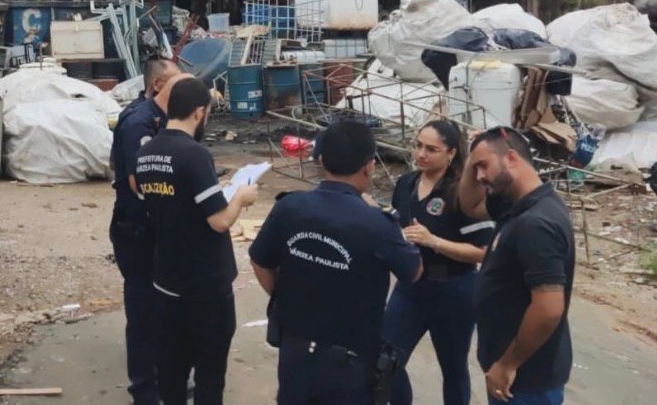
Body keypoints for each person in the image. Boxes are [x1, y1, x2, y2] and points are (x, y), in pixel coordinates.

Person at [250, 121, 422, 405]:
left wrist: (288, 299)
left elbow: (259, 260)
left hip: (295, 357)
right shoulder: (377, 223)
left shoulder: (290, 207)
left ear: (320, 160)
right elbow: (413, 271)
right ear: (369, 166)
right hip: (350, 366)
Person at [132, 76, 257, 405]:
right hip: (205, 286)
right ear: (199, 112)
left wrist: (215, 192)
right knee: (209, 377)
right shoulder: (194, 154)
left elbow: (161, 199)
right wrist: (240, 198)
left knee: (171, 373)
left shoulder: (146, 152)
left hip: (166, 280)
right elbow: (220, 221)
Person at [459, 127, 575, 405]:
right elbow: (469, 204)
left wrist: (508, 364)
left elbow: (548, 309)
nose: (479, 176)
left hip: (524, 381)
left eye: (483, 166)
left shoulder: (535, 223)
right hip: (515, 376)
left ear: (511, 158)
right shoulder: (519, 205)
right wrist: (473, 155)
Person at [382, 120, 494, 405]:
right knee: (386, 360)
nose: (421, 154)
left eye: (431, 149)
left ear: (451, 153)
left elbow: (483, 252)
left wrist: (435, 242)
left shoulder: (462, 194)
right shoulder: (407, 184)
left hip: (453, 290)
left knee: (453, 368)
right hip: (411, 287)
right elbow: (397, 223)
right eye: (418, 146)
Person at [110, 58, 182, 405]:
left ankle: (166, 377)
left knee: (166, 308)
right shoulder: (139, 122)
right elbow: (140, 183)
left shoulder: (165, 118)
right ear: (157, 86)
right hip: (137, 229)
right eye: (177, 82)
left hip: (159, 227)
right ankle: (143, 388)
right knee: (143, 311)